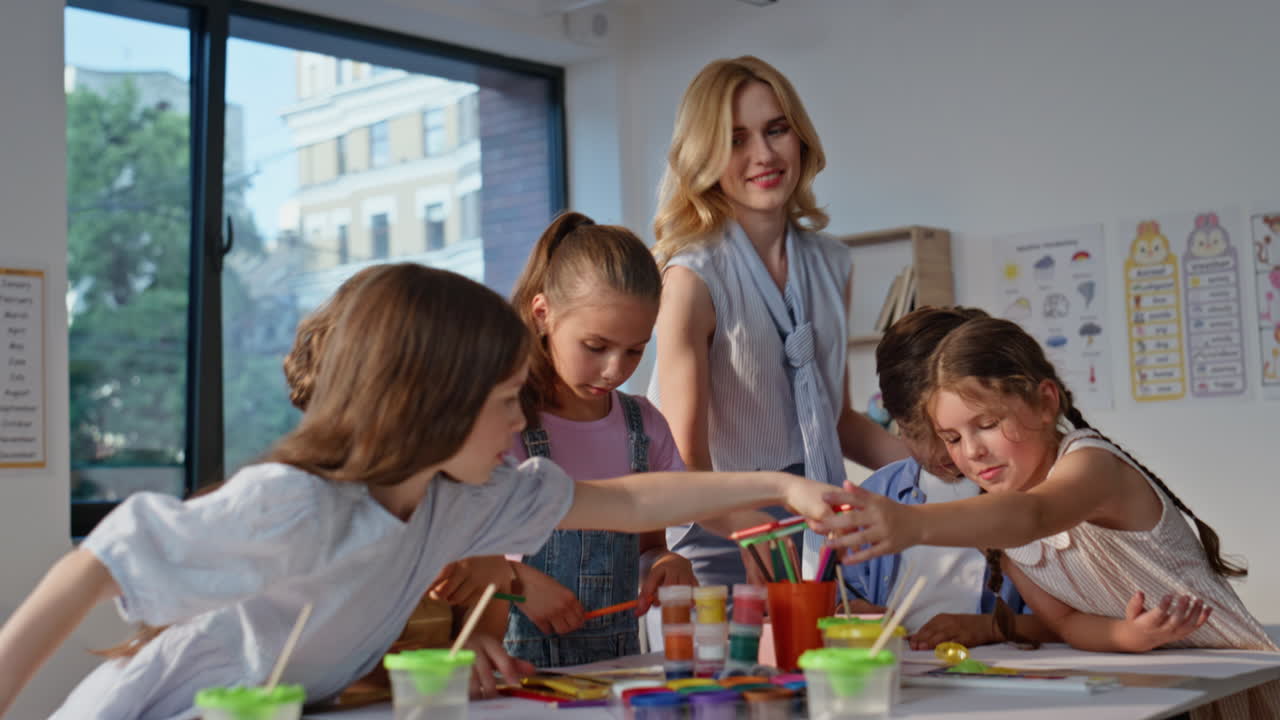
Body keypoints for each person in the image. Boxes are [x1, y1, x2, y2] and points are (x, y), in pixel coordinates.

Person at [0, 263, 841, 720]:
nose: (519, 416)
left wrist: (775, 485)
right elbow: (95, 565)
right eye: (507, 398)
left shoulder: (460, 497)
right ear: (436, 403)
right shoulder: (296, 500)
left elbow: (620, 502)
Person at [818, 316, 1278, 717]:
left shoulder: (1091, 465)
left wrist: (912, 523)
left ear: (1045, 402)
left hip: (1236, 680)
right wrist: (1127, 635)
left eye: (987, 424)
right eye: (953, 438)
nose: (971, 452)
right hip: (1160, 684)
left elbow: (1035, 514)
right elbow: (1064, 623)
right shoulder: (1002, 511)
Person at [648, 55, 906, 587]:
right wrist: (753, 528)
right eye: (736, 138)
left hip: (817, 519)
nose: (762, 154)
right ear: (705, 155)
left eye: (776, 129)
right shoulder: (691, 278)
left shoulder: (833, 263)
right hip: (723, 525)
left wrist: (939, 466)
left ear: (800, 137)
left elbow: (836, 419)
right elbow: (680, 461)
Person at [431, 212, 697, 668]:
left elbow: (649, 541)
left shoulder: (644, 426)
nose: (615, 369)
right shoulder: (503, 427)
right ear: (543, 315)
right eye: (595, 347)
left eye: (635, 349)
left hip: (613, 669)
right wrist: (517, 581)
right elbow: (455, 552)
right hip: (516, 669)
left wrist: (662, 563)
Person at [844, 307, 1058, 650]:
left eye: (949, 434)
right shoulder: (877, 496)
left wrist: (992, 627)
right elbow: (842, 595)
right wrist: (849, 611)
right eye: (915, 433)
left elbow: (1070, 622)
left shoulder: (1030, 492)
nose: (941, 454)